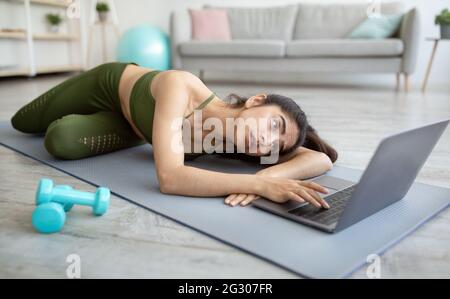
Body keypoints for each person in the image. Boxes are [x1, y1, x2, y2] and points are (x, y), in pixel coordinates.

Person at [11, 62, 338, 208]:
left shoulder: (237, 143)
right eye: (273, 125)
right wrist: (261, 184)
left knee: (60, 140)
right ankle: (144, 125)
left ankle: (149, 131)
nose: (266, 141)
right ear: (256, 101)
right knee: (22, 123)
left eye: (275, 146)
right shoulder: (181, 85)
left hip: (137, 129)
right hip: (109, 86)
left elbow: (319, 158)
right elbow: (169, 178)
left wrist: (276, 175)